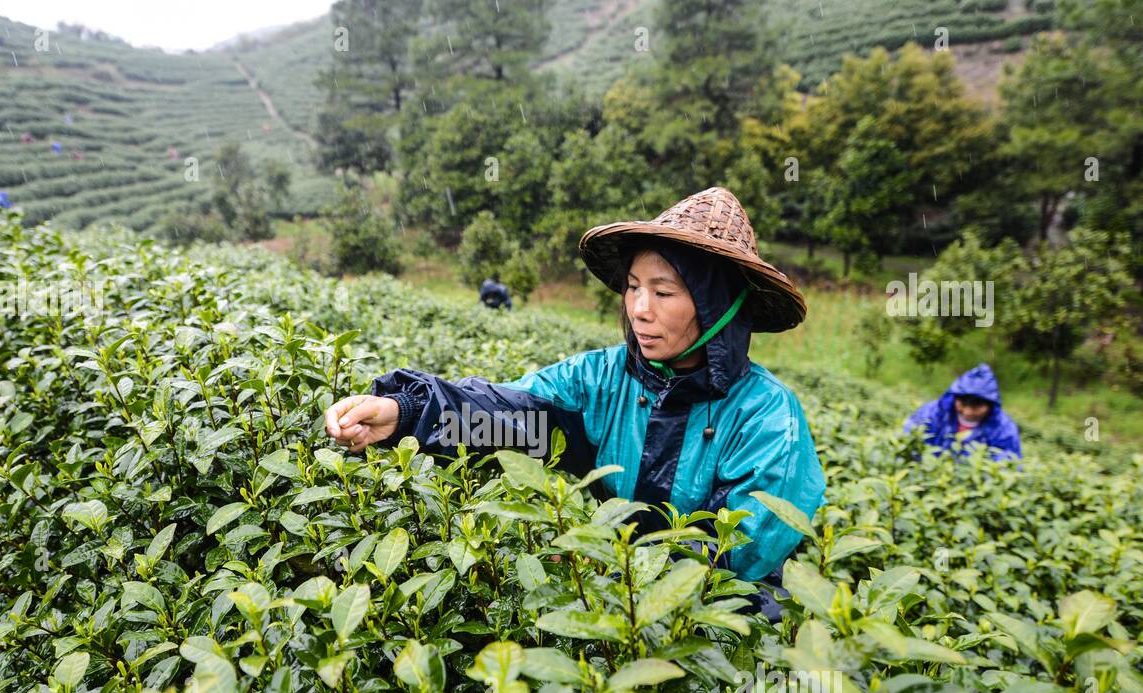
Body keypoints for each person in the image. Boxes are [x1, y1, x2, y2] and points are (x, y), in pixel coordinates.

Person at [325, 186, 827, 614]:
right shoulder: (601, 379)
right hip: (613, 608)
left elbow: (738, 555)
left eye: (664, 292)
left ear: (716, 306)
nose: (639, 310)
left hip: (724, 628)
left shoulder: (767, 416)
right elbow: (511, 418)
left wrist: (610, 565)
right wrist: (407, 413)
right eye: (633, 288)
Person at [903, 363, 1022, 461]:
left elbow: (1008, 461)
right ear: (955, 398)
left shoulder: (1003, 428)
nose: (967, 412)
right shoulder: (934, 412)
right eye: (963, 404)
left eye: (976, 407)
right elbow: (910, 437)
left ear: (990, 405)